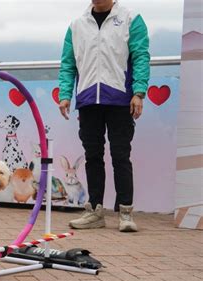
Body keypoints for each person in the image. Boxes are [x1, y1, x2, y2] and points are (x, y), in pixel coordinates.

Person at [58, 0, 150, 232]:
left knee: (121, 155)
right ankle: (94, 210)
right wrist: (65, 94)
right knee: (92, 156)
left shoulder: (131, 19)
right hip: (88, 99)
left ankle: (126, 212)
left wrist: (138, 92)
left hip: (120, 98)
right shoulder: (77, 25)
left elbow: (140, 56)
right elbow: (68, 63)